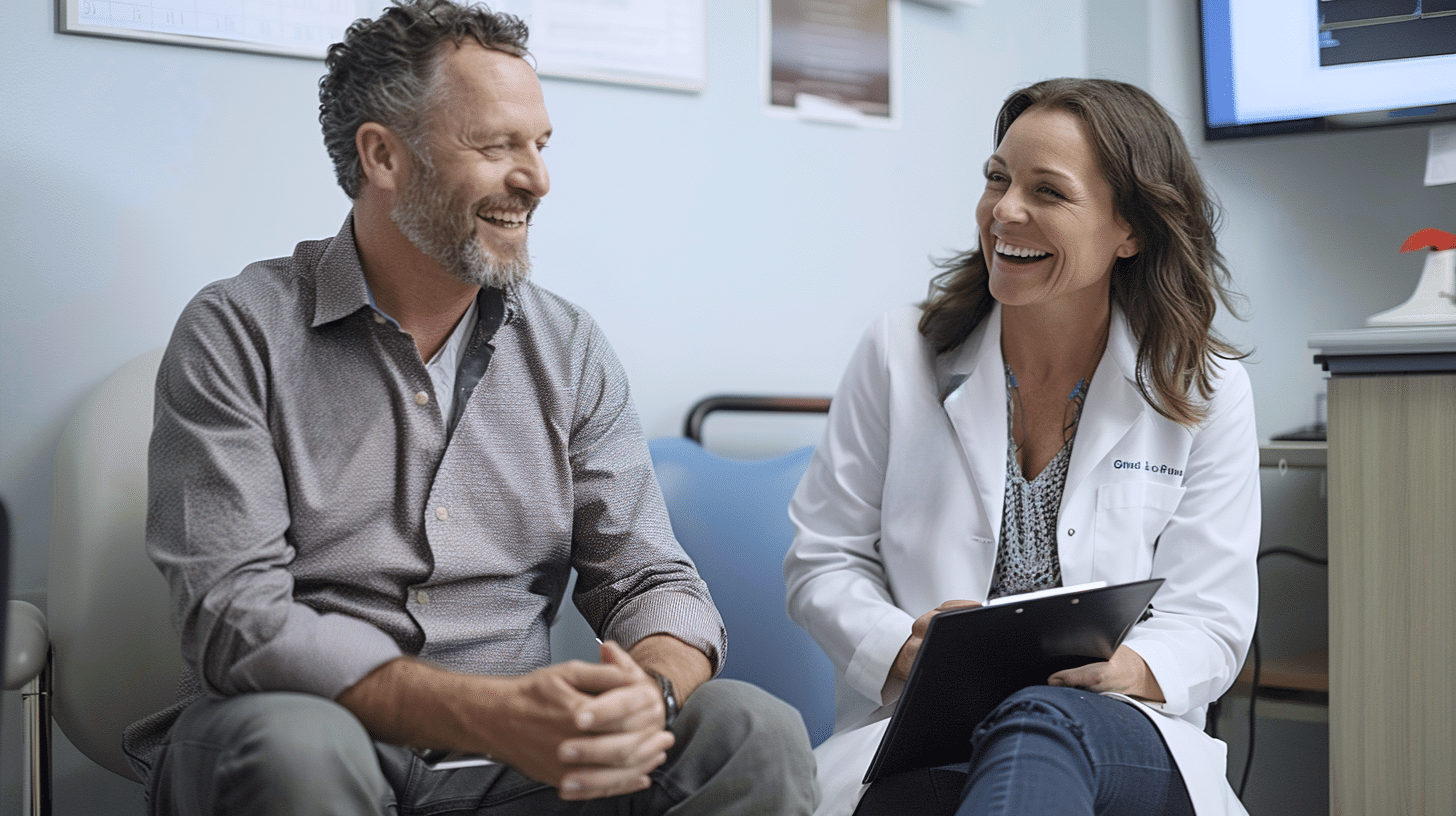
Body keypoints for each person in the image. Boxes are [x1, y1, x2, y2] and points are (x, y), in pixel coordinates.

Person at [122, 2, 817, 813]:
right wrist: (488, 713)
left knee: (750, 730)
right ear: (383, 156)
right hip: (307, 737)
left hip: (516, 774)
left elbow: (649, 578)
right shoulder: (238, 332)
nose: (537, 177)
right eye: (496, 146)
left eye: (540, 145)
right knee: (296, 748)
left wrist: (651, 692)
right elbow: (233, 620)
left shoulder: (569, 347)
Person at [784, 78, 1259, 816]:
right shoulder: (897, 352)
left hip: (1119, 737)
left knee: (1041, 720)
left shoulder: (1204, 388)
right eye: (998, 178)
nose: (1005, 210)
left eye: (1048, 191)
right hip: (929, 732)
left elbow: (1213, 615)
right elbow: (822, 559)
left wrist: (1130, 668)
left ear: (1129, 229)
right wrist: (903, 648)